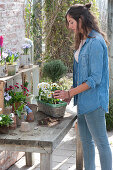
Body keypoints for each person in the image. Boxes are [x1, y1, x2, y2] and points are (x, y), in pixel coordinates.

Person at [53, 3, 112, 170]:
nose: (69, 26)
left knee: (101, 143)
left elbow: (95, 79)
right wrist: (71, 95)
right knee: (86, 143)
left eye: (71, 22)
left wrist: (69, 92)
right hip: (83, 102)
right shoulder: (82, 40)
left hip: (94, 102)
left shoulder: (95, 42)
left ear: (81, 20)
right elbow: (79, 75)